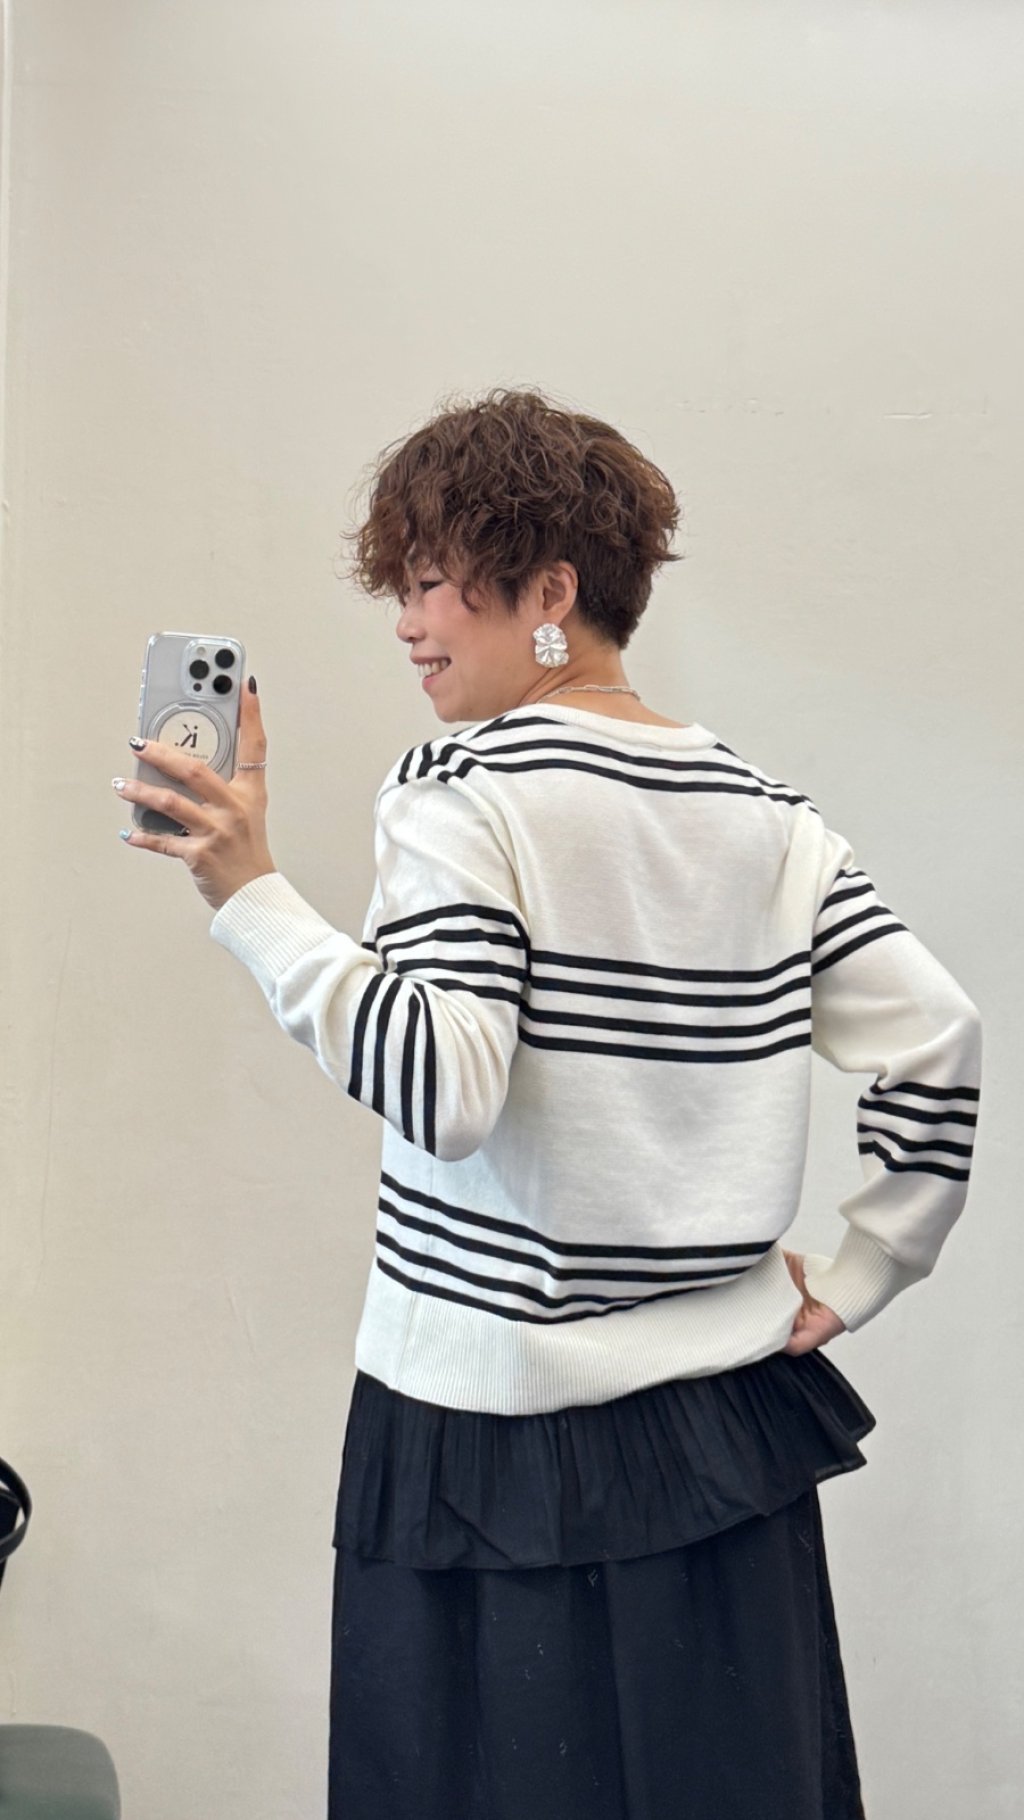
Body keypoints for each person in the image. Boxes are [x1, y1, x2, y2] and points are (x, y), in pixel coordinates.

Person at [115, 386, 983, 1818]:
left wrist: (248, 893)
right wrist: (868, 1264)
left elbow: (443, 1088)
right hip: (727, 1433)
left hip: (484, 1437)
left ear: (553, 592)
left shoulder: (465, 787)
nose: (406, 623)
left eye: (432, 581)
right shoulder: (767, 816)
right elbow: (939, 1039)